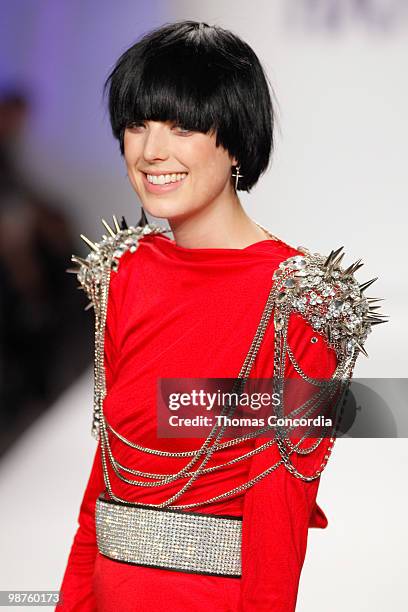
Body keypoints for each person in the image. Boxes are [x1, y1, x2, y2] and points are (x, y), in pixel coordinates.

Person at [57, 20, 385, 611]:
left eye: (182, 126)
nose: (151, 151)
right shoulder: (124, 275)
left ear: (234, 140)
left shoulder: (299, 304)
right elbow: (104, 482)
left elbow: (276, 519)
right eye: (137, 125)